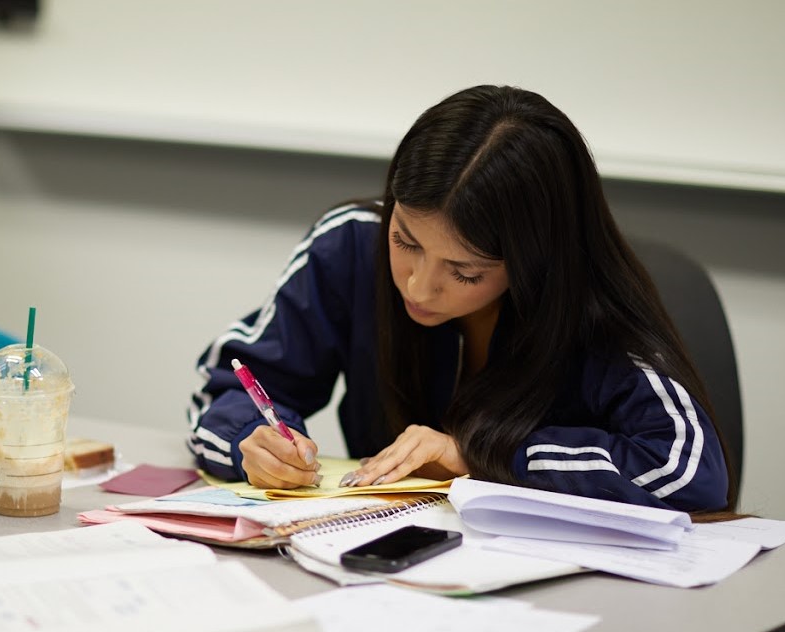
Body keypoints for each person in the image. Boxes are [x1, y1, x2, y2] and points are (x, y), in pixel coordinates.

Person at [186, 85, 736, 514]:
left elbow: (685, 470)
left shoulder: (586, 303)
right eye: (406, 240)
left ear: (534, 261)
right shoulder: (352, 244)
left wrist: (481, 455)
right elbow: (225, 392)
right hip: (375, 568)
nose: (419, 287)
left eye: (465, 271)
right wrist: (251, 445)